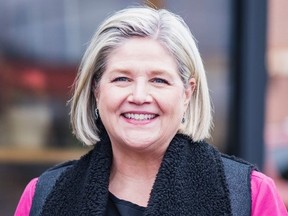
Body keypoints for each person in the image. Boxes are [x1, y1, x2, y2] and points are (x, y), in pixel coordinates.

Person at [15, 6, 287, 216]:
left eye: (159, 80)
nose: (139, 96)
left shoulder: (249, 195)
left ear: (187, 92)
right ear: (97, 90)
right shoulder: (43, 196)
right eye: (122, 78)